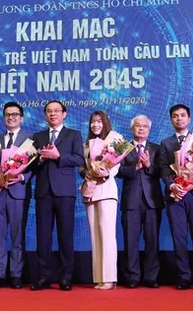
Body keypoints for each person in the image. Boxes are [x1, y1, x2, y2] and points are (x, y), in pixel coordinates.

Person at [30, 100, 84, 291]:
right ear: (45, 115)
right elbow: (31, 165)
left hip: (65, 192)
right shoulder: (38, 136)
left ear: (64, 114)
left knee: (65, 235)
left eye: (56, 111)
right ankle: (44, 276)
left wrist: (58, 157)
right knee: (43, 236)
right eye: (49, 111)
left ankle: (66, 277)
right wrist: (41, 159)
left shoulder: (74, 135)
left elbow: (79, 159)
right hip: (43, 192)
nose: (53, 114)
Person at [158, 104, 193, 290]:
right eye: (175, 116)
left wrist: (192, 182)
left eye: (182, 115)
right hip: (175, 195)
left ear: (189, 118)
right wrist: (172, 184)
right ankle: (184, 276)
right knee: (179, 237)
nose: (179, 119)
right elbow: (163, 168)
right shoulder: (166, 143)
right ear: (171, 120)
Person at [0, 102, 32, 289]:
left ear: (21, 117)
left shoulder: (30, 140)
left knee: (17, 235)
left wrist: (21, 176)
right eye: (7, 114)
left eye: (14, 114)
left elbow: (35, 167)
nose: (11, 117)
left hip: (18, 191)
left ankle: (16, 274)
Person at [116, 115, 163, 289]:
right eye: (138, 126)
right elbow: (116, 170)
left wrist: (149, 165)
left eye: (145, 126)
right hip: (131, 201)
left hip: (152, 201)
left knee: (152, 240)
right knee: (130, 240)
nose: (141, 129)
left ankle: (151, 277)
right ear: (132, 129)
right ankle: (132, 276)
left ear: (149, 130)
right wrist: (134, 168)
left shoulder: (157, 149)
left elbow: (163, 172)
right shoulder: (123, 148)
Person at [81, 111, 120, 290]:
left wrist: (105, 172)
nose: (95, 125)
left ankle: (110, 278)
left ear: (105, 123)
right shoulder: (86, 145)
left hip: (107, 190)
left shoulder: (113, 141)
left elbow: (116, 165)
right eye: (92, 122)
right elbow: (82, 167)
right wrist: (88, 172)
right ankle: (98, 277)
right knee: (95, 234)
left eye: (98, 122)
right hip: (91, 191)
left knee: (107, 234)